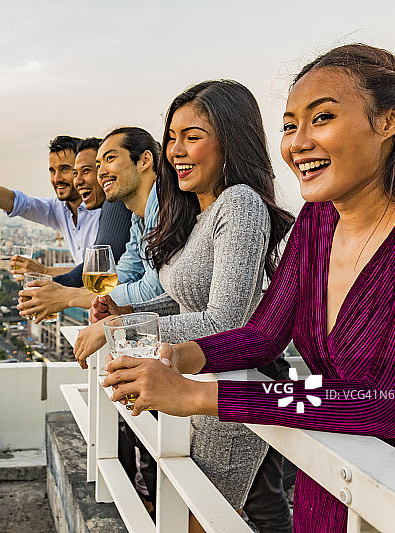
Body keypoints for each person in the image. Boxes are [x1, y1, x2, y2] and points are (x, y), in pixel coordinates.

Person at [102, 44, 395, 533]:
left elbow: (390, 402)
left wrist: (198, 398)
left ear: (390, 119)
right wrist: (183, 355)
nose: (298, 143)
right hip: (327, 479)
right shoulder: (318, 220)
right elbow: (265, 334)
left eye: (322, 118)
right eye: (290, 125)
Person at [74, 80, 295, 531]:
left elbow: (223, 320)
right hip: (191, 384)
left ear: (231, 142)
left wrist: (118, 331)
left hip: (228, 390)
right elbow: (180, 298)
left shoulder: (241, 204)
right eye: (171, 137)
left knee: (207, 521)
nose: (176, 150)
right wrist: (120, 313)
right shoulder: (200, 215)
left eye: (192, 137)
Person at [17, 127, 164, 322]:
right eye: (98, 165)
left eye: (109, 159)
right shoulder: (139, 217)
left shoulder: (164, 206)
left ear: (145, 160)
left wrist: (68, 296)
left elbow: (153, 290)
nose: (101, 172)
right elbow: (128, 271)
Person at [0, 135, 100, 265]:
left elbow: (97, 271)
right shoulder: (59, 208)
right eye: (52, 171)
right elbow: (14, 202)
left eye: (65, 169)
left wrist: (43, 271)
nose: (56, 179)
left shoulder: (106, 209)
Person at [9, 137, 132, 285]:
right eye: (75, 173)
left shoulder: (117, 203)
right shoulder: (130, 212)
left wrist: (51, 285)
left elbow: (99, 265)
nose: (78, 181)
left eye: (87, 170)